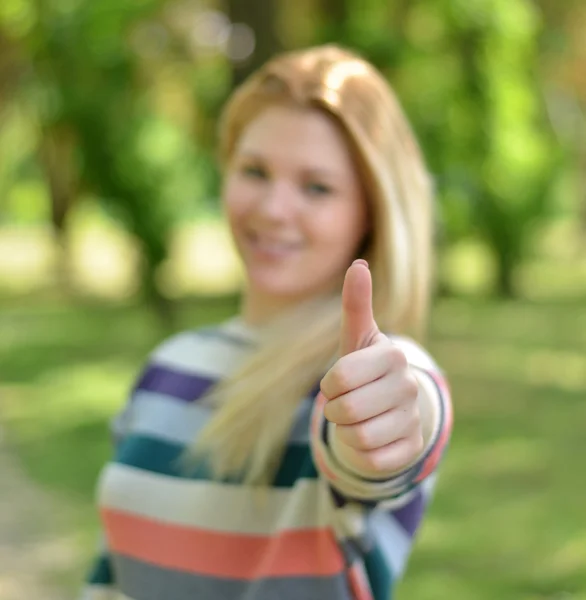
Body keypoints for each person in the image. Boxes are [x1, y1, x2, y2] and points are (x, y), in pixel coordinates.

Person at [80, 44, 453, 600]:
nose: (274, 209)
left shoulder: (369, 376)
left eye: (316, 187)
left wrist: (393, 422)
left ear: (370, 211)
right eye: (254, 171)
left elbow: (401, 421)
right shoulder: (168, 365)